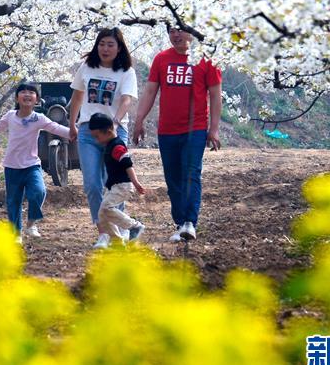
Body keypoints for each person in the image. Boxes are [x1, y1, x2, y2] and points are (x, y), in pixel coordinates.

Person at [133, 25, 222, 242]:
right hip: (167, 129)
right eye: (172, 31)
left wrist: (214, 129)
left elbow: (215, 95)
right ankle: (180, 222)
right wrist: (139, 120)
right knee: (172, 179)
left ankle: (190, 222)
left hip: (195, 129)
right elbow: (151, 91)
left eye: (180, 30)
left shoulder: (206, 60)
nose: (176, 35)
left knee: (191, 173)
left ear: (191, 31)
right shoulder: (162, 59)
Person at [0, 83, 73, 243]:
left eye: (31, 92)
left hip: (32, 165)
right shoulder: (10, 116)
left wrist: (75, 134)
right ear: (17, 98)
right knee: (13, 201)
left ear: (37, 100)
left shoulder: (38, 118)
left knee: (39, 192)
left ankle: (31, 223)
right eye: (23, 92)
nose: (27, 94)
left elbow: (56, 128)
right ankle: (16, 233)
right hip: (11, 166)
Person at [69, 28, 139, 237]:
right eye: (102, 44)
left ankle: (122, 228)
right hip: (88, 131)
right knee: (92, 184)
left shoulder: (127, 71)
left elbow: (126, 99)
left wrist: (116, 123)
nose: (105, 49)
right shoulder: (87, 67)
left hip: (114, 132)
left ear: (119, 49)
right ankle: (103, 232)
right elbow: (78, 96)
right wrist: (72, 123)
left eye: (110, 45)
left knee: (115, 184)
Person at [87, 113, 146, 249]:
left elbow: (128, 165)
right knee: (102, 214)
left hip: (122, 186)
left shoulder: (117, 146)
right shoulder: (109, 144)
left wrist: (136, 183)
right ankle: (117, 241)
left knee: (107, 208)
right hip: (113, 186)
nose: (96, 140)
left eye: (97, 136)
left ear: (108, 132)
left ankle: (134, 226)